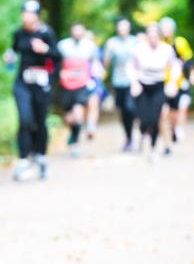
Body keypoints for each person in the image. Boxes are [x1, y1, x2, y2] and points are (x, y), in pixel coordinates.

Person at [5, 0, 60, 181]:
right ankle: (23, 160)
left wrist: (45, 50)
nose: (27, 16)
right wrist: (9, 57)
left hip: (42, 83)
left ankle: (41, 155)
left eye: (30, 13)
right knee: (24, 119)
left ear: (37, 15)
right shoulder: (19, 33)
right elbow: (13, 52)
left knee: (40, 121)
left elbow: (58, 57)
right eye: (24, 13)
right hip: (23, 82)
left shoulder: (46, 33)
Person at [126, 24, 182, 163]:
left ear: (159, 36)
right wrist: (134, 82)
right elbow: (130, 66)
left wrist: (173, 82)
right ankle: (143, 133)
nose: (152, 39)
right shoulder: (138, 50)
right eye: (150, 36)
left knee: (157, 117)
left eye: (155, 36)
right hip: (142, 86)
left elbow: (175, 66)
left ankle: (153, 147)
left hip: (159, 86)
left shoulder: (167, 49)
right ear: (146, 37)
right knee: (144, 119)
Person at [57, 23, 99, 157]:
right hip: (66, 85)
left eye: (80, 31)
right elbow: (55, 61)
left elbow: (95, 62)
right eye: (75, 30)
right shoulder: (62, 45)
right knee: (69, 117)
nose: (77, 33)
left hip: (82, 84)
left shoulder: (90, 46)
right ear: (71, 31)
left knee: (78, 113)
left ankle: (75, 142)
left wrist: (94, 78)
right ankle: (73, 135)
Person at [159, 16, 194, 151]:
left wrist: (193, 74)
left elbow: (190, 60)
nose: (166, 31)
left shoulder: (180, 43)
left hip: (180, 82)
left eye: (168, 28)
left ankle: (177, 128)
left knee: (181, 108)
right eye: (163, 28)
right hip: (163, 83)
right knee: (166, 112)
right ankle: (169, 135)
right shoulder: (158, 45)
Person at [103, 18, 140, 151]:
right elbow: (106, 62)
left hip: (133, 80)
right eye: (120, 27)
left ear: (129, 28)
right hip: (118, 81)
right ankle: (128, 138)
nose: (122, 30)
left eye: (125, 27)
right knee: (123, 110)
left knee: (131, 108)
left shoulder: (136, 41)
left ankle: (138, 130)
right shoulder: (111, 43)